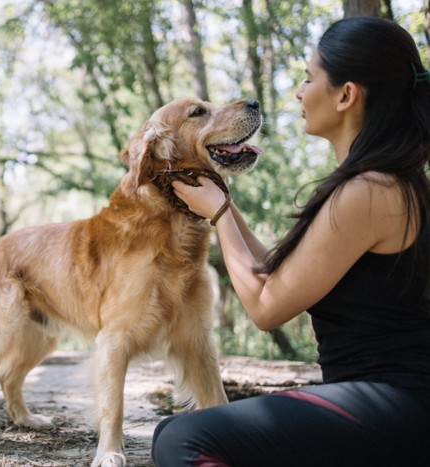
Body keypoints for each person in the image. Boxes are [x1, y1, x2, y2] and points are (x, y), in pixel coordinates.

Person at [151, 16, 430, 467]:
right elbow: (275, 273)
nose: (299, 92)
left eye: (307, 77)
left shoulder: (371, 190)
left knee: (185, 442)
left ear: (346, 95)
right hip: (382, 402)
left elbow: (267, 308)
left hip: (395, 407)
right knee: (174, 431)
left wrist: (218, 214)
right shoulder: (380, 179)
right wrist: (220, 198)